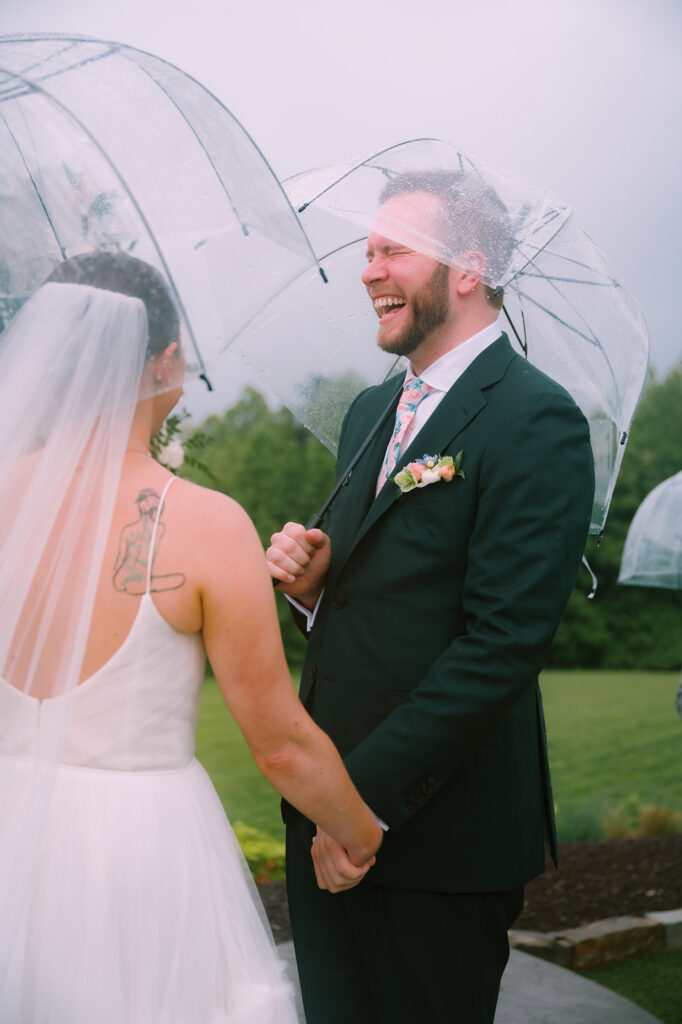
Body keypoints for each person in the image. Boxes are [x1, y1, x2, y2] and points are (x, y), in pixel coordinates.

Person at [0, 251, 382, 1023]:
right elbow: (279, 744)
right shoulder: (206, 524)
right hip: (135, 861)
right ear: (165, 360)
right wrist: (358, 830)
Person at [268, 170, 596, 1023]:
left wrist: (360, 805)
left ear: (467, 267)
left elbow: (503, 644)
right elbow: (361, 602)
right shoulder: (371, 411)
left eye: (393, 250)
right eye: (366, 251)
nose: (369, 270)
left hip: (437, 837)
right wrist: (310, 588)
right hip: (325, 822)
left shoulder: (536, 419)